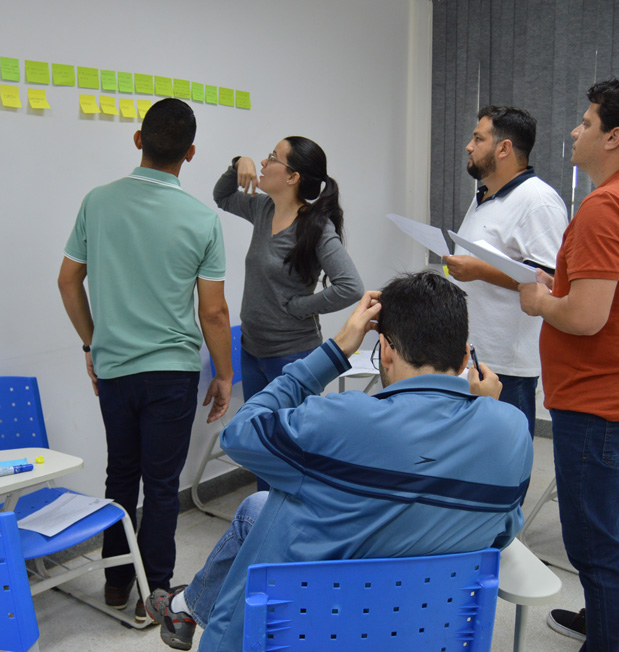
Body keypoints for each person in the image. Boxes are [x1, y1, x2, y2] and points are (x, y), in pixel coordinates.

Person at [146, 271, 533, 651]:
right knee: (256, 508)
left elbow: (240, 433)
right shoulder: (513, 430)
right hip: (423, 634)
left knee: (269, 505)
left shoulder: (342, 421)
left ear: (385, 350)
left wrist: (335, 351)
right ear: (466, 356)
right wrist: (486, 414)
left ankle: (185, 607)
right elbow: (501, 533)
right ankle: (185, 606)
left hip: (314, 633)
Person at [58, 98, 234, 620]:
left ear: (139, 140)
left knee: (120, 476)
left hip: (114, 371)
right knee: (161, 486)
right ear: (192, 153)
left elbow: (69, 280)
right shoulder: (202, 218)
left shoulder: (97, 202)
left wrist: (93, 345)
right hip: (172, 374)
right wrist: (224, 374)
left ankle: (114, 583)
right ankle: (151, 592)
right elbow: (215, 312)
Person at [519, 79, 619, 652]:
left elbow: (584, 317)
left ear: (615, 136)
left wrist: (538, 301)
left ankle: (610, 643)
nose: (574, 131)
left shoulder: (607, 205)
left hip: (596, 403)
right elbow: (608, 294)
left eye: (585, 123)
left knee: (592, 540)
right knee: (617, 522)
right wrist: (558, 285)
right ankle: (614, 624)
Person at [214, 138, 363, 490]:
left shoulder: (315, 226)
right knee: (260, 442)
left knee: (292, 449)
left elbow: (350, 286)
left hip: (293, 356)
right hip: (253, 349)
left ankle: (292, 522)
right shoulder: (263, 209)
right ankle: (262, 513)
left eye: (271, 159)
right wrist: (239, 162)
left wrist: (300, 306)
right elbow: (222, 195)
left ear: (293, 177)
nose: (263, 164)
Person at [443, 105, 568, 438]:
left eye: (478, 139)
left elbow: (550, 280)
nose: (469, 146)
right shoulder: (483, 196)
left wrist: (479, 271)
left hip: (507, 364)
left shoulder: (538, 200)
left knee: (504, 461)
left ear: (504, 148)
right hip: (471, 353)